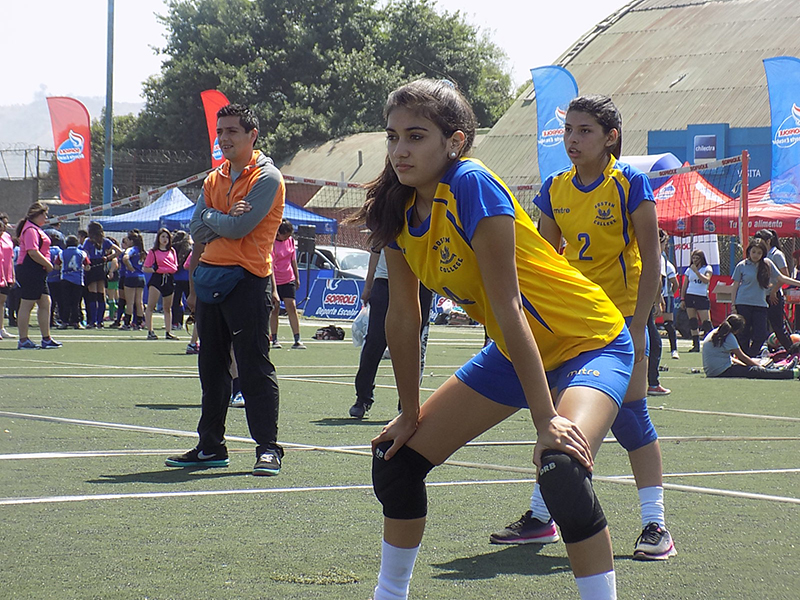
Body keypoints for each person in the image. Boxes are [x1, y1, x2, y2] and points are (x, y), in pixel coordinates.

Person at [356, 79, 635, 600]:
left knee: (561, 471)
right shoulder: (395, 207)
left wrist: (545, 420)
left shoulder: (472, 184)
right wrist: (410, 412)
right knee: (396, 462)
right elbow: (402, 317)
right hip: (515, 352)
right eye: (392, 136)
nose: (399, 150)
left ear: (454, 141)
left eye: (416, 136)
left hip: (590, 342)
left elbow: (508, 306)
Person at [494, 94, 674, 561]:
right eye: (568, 131)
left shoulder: (629, 182)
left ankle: (656, 525)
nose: (572, 140)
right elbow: (544, 264)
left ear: (610, 137)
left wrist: (638, 325)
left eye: (585, 131)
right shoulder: (554, 188)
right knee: (557, 417)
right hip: (572, 325)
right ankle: (541, 517)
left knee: (633, 420)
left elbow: (653, 259)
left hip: (618, 326)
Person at [166, 103, 286, 477]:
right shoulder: (213, 178)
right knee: (211, 366)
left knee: (252, 365)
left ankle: (269, 449)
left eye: (232, 131)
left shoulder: (268, 177)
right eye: (220, 132)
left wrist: (215, 218)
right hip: (210, 278)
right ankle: (210, 446)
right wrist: (223, 216)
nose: (224, 138)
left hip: (249, 280)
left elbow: (237, 229)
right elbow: (196, 230)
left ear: (253, 135)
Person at [349, 247, 433, 419]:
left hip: (421, 282)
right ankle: (362, 398)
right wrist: (368, 286)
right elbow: (375, 251)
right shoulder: (387, 221)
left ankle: (407, 404)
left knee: (415, 343)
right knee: (375, 341)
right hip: (386, 281)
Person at [730, 238, 800, 357]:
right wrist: (733, 305)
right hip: (743, 303)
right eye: (753, 252)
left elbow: (782, 278)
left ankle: (750, 356)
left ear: (763, 253)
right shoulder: (742, 265)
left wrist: (798, 283)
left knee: (761, 334)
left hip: (760, 305)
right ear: (749, 252)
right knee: (744, 333)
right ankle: (744, 359)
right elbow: (735, 286)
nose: (756, 255)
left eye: (759, 252)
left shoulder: (767, 264)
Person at [14, 202, 61, 349]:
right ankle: (23, 340)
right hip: (30, 269)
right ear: (36, 214)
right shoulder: (30, 230)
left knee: (45, 302)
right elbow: (32, 251)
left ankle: (46, 338)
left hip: (38, 270)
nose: (46, 217)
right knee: (27, 303)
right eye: (44, 214)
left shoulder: (36, 229)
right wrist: (48, 265)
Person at [702, 313, 796, 379]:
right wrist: (758, 367)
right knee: (756, 371)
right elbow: (742, 357)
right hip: (721, 371)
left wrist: (747, 364)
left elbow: (730, 358)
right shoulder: (729, 337)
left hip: (714, 371)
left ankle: (779, 368)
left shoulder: (716, 332)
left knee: (755, 364)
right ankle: (789, 373)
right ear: (737, 330)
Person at [753, 229, 795, 352]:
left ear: (768, 241)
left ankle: (792, 351)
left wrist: (773, 291)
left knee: (778, 328)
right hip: (761, 296)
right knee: (759, 327)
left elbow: (784, 276)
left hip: (774, 296)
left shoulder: (776, 255)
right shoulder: (761, 255)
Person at [269, 219, 306, 349]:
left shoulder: (290, 241)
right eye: (285, 235)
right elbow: (271, 266)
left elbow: (293, 260)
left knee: (292, 306)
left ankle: (297, 339)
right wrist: (273, 288)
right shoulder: (271, 243)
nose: (288, 237)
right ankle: (274, 339)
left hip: (288, 278)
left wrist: (297, 277)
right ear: (278, 233)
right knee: (275, 308)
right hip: (275, 279)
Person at [81, 221, 121, 328]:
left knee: (92, 295)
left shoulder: (88, 241)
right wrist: (107, 258)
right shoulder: (105, 241)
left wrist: (86, 264)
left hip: (92, 266)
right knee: (101, 294)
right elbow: (119, 251)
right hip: (101, 267)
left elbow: (84, 254)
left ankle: (92, 321)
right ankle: (100, 322)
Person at [143, 227, 179, 340]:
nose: (165, 239)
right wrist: (157, 270)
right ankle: (150, 331)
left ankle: (168, 332)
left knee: (167, 307)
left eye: (167, 237)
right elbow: (145, 267)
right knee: (151, 306)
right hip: (157, 280)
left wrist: (167, 269)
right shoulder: (153, 252)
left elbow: (175, 266)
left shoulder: (172, 251)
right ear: (158, 238)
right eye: (162, 236)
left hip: (169, 279)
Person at [679, 249, 713, 352]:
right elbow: (685, 285)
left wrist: (697, 272)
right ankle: (696, 345)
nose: (694, 260)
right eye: (693, 258)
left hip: (701, 296)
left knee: (706, 322)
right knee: (693, 321)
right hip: (690, 295)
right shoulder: (689, 270)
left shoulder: (707, 268)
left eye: (697, 258)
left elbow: (706, 280)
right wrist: (682, 298)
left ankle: (713, 342)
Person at [57, 235, 90, 329]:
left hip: (65, 280)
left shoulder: (62, 253)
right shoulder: (82, 253)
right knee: (76, 302)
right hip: (78, 281)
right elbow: (88, 266)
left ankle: (64, 321)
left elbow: (56, 265)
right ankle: (76, 322)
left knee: (65, 301)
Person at [659, 230, 680, 359]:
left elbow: (675, 283)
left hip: (665, 296)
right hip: (653, 295)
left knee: (668, 323)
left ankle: (674, 350)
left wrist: (669, 293)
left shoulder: (667, 265)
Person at [121, 230, 146, 330]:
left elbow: (125, 258)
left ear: (131, 241)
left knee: (130, 302)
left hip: (131, 277)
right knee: (139, 301)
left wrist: (130, 267)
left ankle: (126, 323)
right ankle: (139, 323)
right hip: (141, 277)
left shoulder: (132, 249)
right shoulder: (142, 251)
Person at [170, 230, 192, 331]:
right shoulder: (190, 249)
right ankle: (196, 321)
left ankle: (176, 322)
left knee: (176, 302)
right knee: (190, 302)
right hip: (188, 279)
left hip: (176, 278)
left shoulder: (173, 249)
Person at [0, 212, 17, 339]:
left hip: (5, 274)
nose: (4, 226)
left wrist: (12, 274)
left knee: (2, 301)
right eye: (2, 223)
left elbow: (11, 256)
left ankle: (1, 329)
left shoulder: (7, 237)